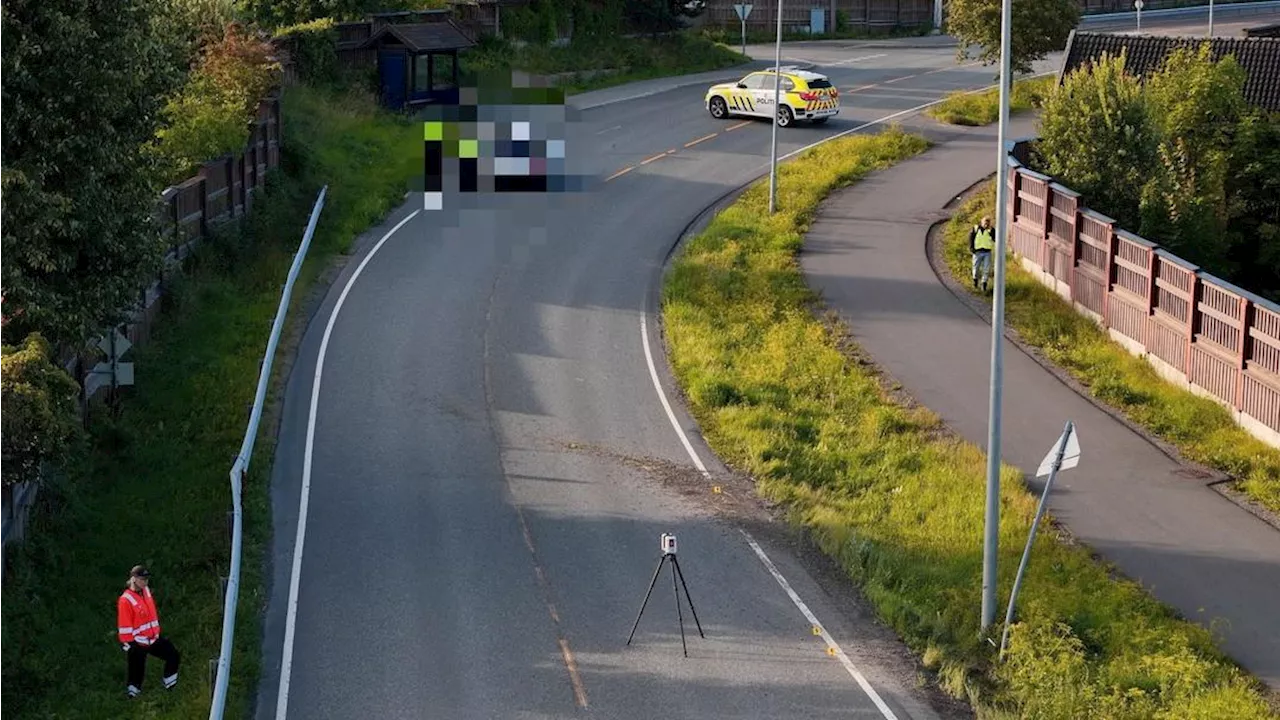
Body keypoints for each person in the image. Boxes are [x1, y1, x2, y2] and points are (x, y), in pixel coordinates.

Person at [117, 565, 180, 699]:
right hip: (137, 642)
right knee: (136, 672)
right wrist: (130, 645)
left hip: (153, 638)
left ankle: (170, 685)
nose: (145, 582)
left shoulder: (146, 591)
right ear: (134, 579)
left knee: (173, 655)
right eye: (142, 579)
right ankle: (132, 695)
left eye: (147, 579)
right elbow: (124, 626)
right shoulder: (125, 600)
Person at [968, 215, 995, 292]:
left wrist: (991, 231)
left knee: (986, 269)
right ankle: (975, 281)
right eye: (985, 223)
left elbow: (995, 239)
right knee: (976, 268)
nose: (986, 225)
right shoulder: (976, 228)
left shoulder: (991, 230)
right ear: (982, 222)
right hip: (977, 252)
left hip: (987, 252)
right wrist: (972, 248)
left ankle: (984, 284)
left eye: (988, 223)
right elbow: (971, 238)